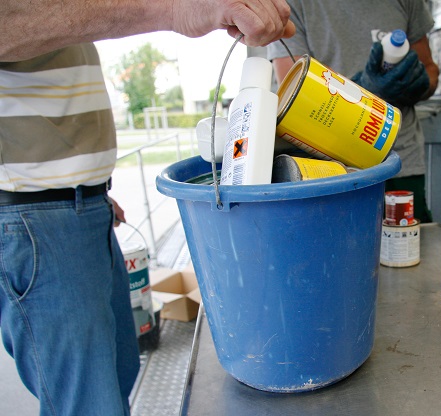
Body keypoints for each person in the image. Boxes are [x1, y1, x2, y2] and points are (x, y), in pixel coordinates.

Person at [0, 1, 294, 415]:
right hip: (35, 219)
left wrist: (88, 187)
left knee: (119, 375)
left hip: (79, 206)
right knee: (90, 405)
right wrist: (174, 9)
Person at [267, 0, 439, 222]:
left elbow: (430, 69)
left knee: (407, 249)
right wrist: (365, 89)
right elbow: (295, 96)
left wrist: (421, 84)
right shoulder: (292, 5)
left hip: (401, 159)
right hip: (335, 171)